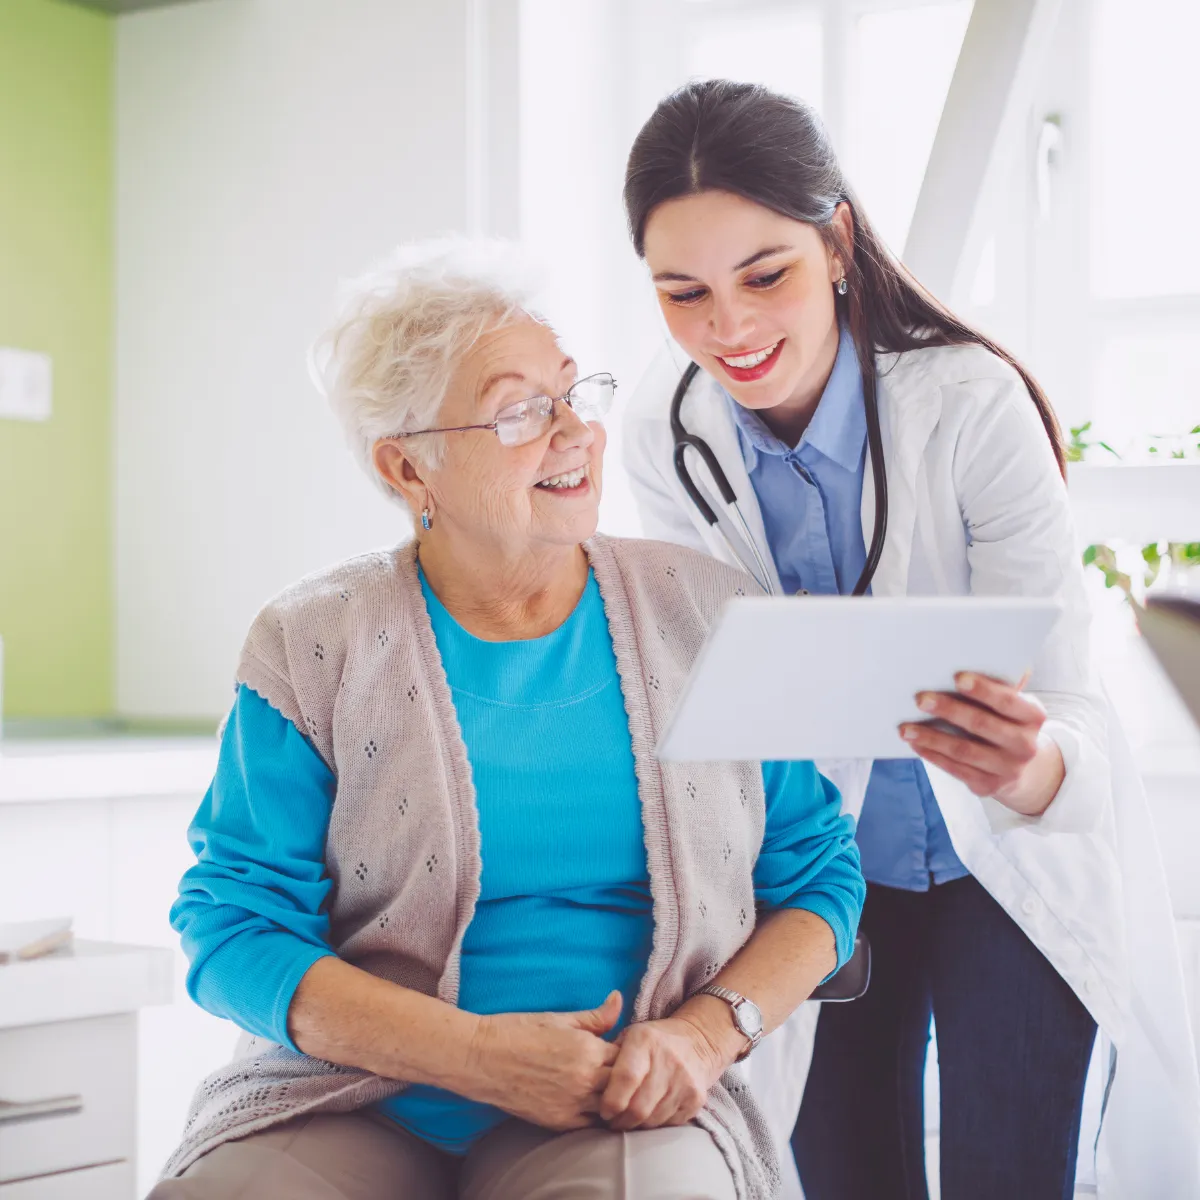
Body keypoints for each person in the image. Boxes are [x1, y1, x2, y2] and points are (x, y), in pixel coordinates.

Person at [149, 239, 865, 1200]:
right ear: (410, 470)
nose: (573, 431)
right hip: (352, 1099)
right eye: (520, 411)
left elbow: (819, 876)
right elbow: (230, 922)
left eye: (574, 393)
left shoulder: (710, 614)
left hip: (619, 1105)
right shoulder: (312, 641)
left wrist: (704, 1034)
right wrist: (471, 1054)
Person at [621, 79, 1200, 1200]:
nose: (728, 329)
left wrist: (1031, 768)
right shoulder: (668, 431)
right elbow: (717, 679)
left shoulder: (971, 406)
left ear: (836, 242)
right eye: (681, 293)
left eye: (766, 274)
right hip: (816, 880)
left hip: (1007, 868)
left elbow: (1069, 698)